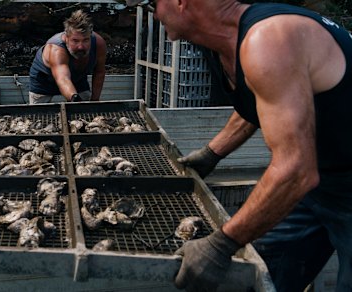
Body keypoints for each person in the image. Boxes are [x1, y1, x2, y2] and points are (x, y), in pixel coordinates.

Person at [126, 0, 352, 291]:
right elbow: (263, 98)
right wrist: (211, 153)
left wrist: (221, 243)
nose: (154, 14)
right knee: (264, 273)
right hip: (320, 182)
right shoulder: (223, 46)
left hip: (320, 176)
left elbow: (296, 169)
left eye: (154, 3)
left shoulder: (267, 39)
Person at [28, 9, 107, 104]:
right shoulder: (56, 49)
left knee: (87, 110)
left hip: (78, 79)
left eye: (85, 40)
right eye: (75, 41)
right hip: (44, 81)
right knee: (37, 115)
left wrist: (95, 101)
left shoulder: (99, 43)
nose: (81, 46)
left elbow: (99, 72)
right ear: (66, 37)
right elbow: (63, 79)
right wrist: (75, 99)